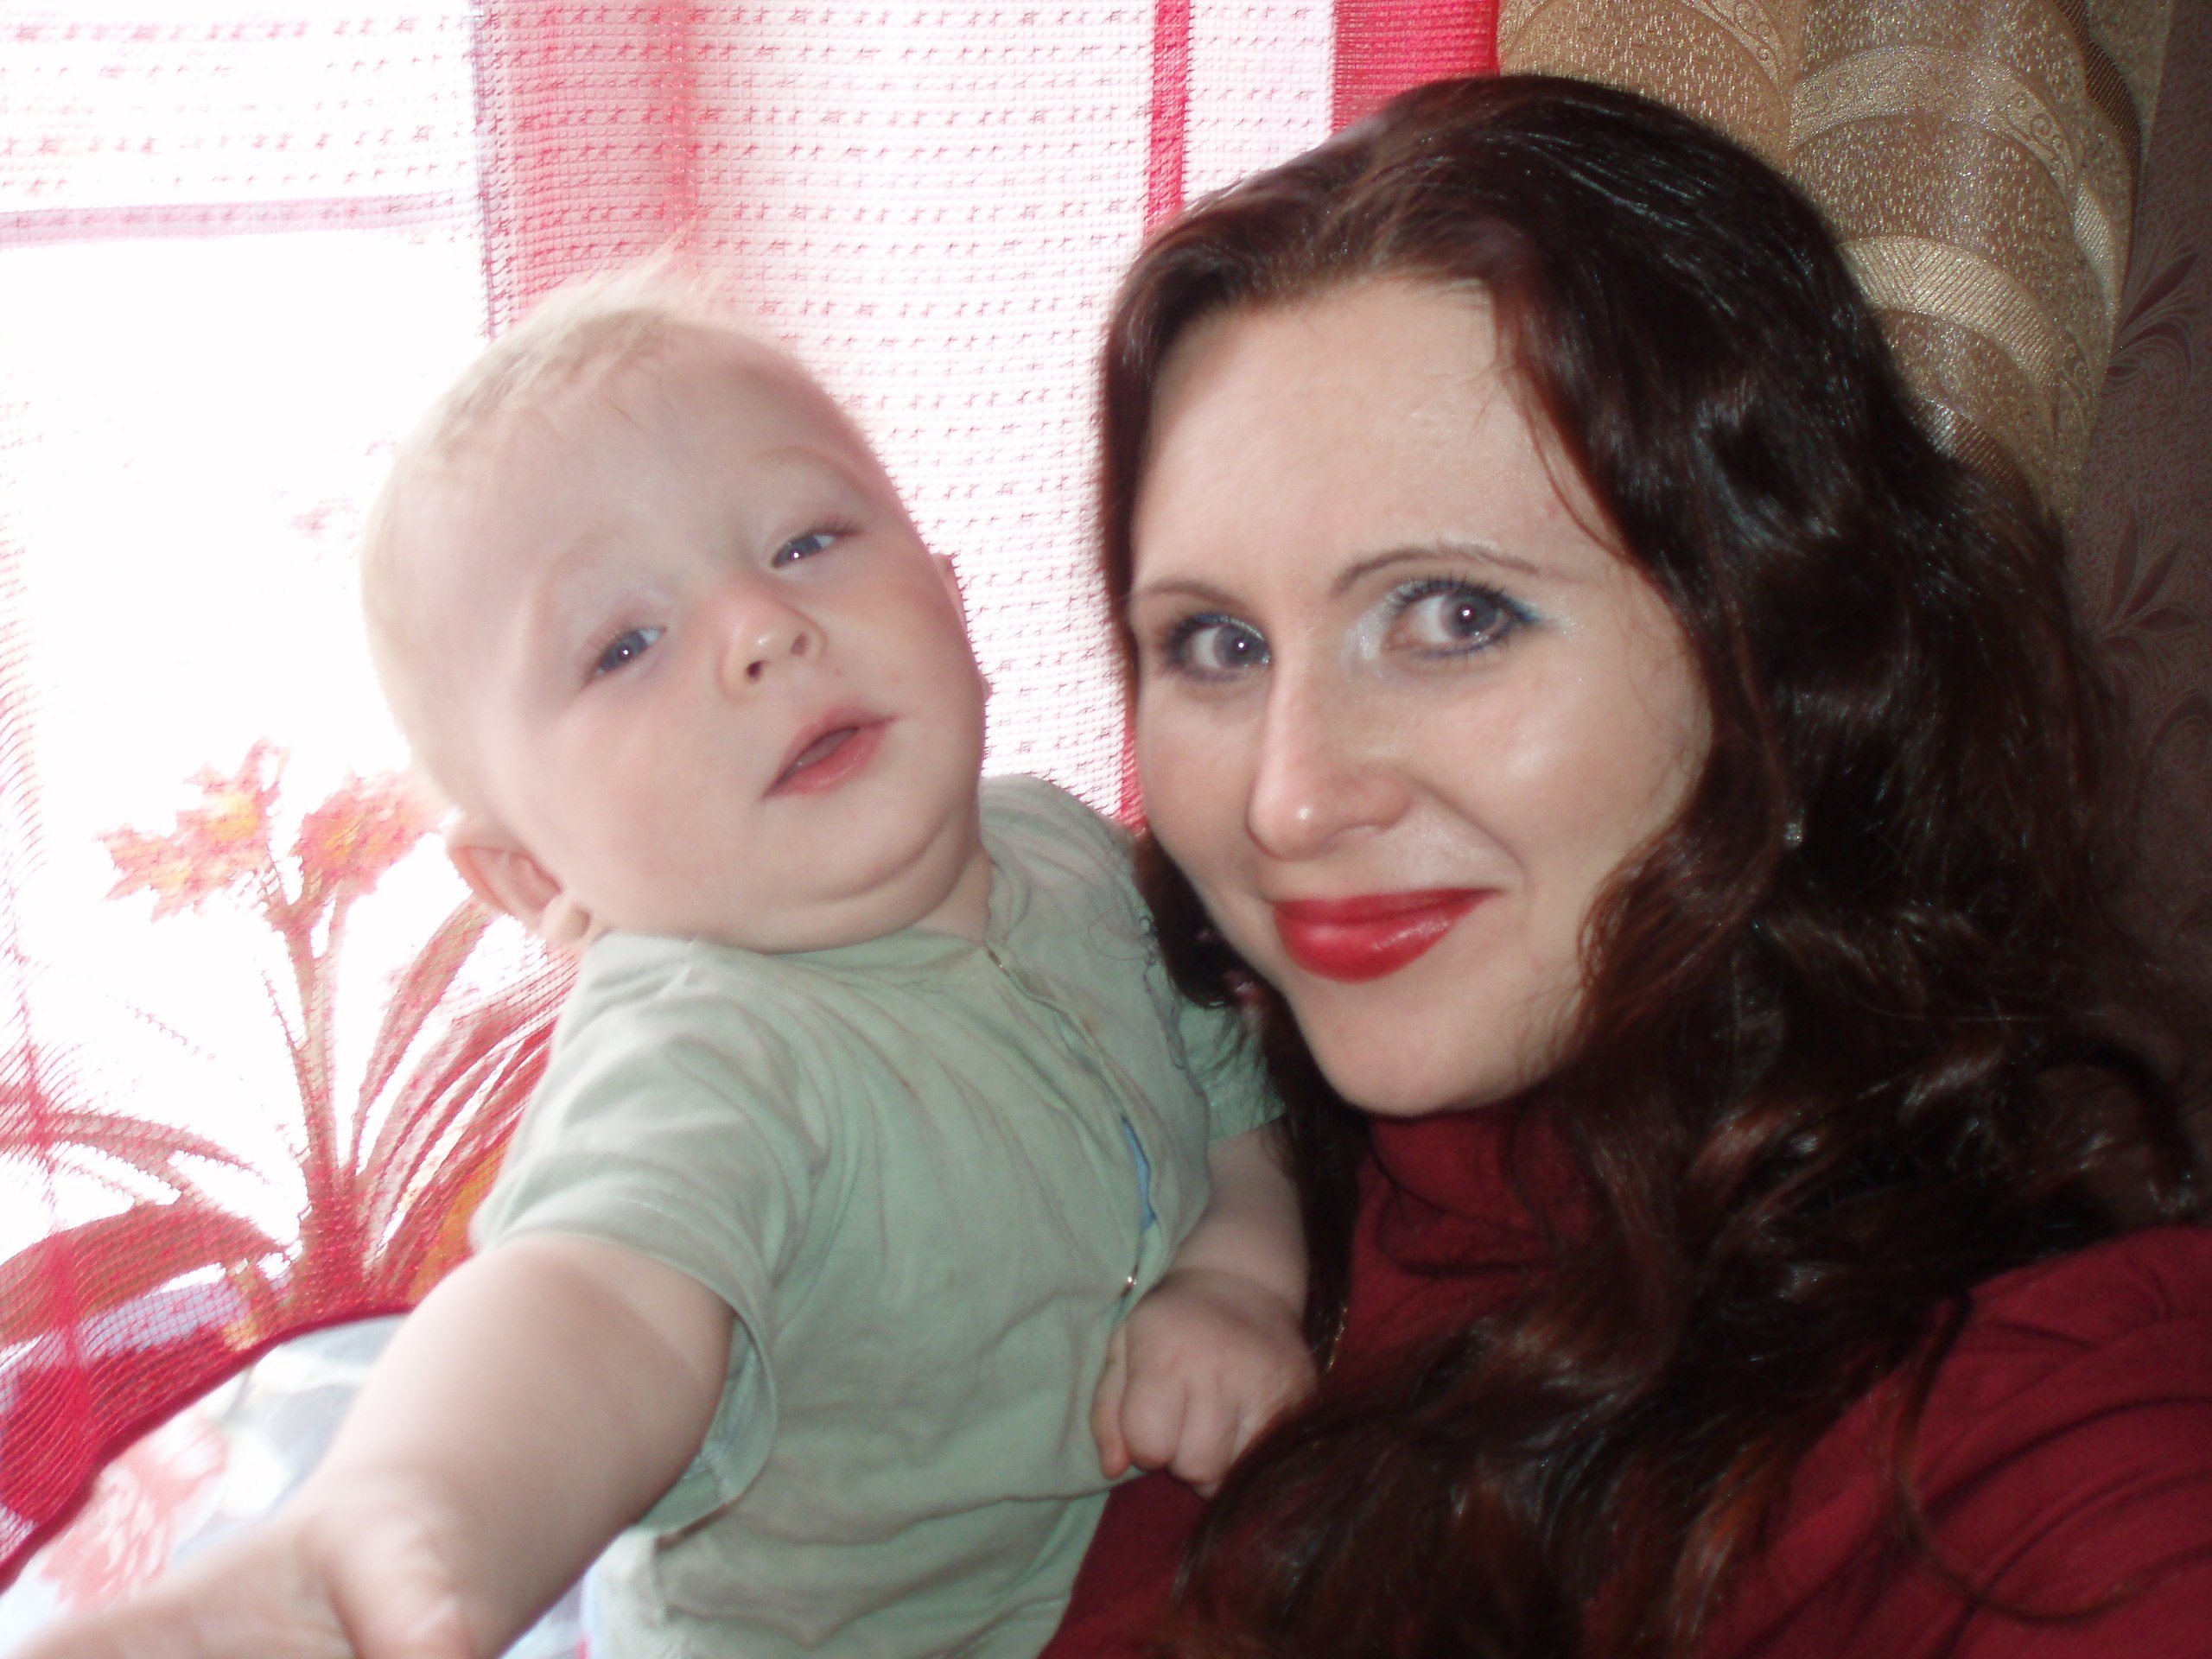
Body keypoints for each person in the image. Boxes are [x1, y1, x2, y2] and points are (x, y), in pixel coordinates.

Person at [1043, 73, 2212, 1659]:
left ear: (1780, 667)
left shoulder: (2011, 1449)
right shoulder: (1134, 1145)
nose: (1290, 803)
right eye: (1216, 643)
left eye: (1456, 614)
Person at [19, 280, 1313, 1659]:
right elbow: (593, 1305)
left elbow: (1231, 1103)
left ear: (952, 596)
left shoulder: (1069, 848)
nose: (761, 625)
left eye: (808, 540)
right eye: (623, 645)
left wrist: (1235, 1280)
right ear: (535, 876)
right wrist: (405, 1517)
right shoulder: (701, 1048)